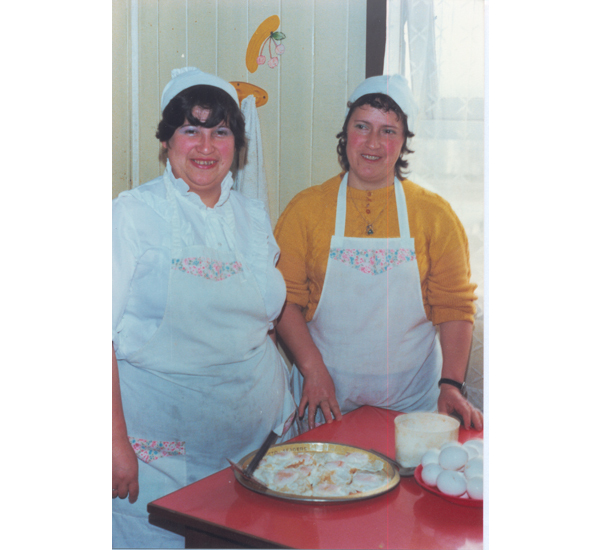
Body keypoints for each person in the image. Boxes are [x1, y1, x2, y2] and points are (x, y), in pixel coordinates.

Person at [112, 67, 296, 548]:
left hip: (259, 451)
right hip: (160, 462)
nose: (206, 146)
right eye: (190, 129)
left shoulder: (252, 216)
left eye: (220, 131)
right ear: (167, 141)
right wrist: (112, 443)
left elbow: (267, 318)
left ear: (237, 143)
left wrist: (309, 371)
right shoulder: (132, 215)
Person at [274, 74, 483, 433]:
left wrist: (450, 385)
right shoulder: (306, 210)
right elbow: (283, 302)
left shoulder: (434, 215)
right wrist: (313, 370)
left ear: (404, 142)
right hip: (325, 398)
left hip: (413, 402)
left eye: (388, 131)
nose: (373, 142)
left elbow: (454, 306)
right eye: (362, 126)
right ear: (345, 134)